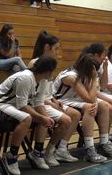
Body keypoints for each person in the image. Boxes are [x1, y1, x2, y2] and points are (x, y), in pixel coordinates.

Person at [0, 56, 57, 175]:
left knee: (44, 117)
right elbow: (22, 106)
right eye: (53, 70)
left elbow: (39, 103)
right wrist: (41, 117)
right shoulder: (25, 77)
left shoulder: (42, 80)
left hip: (11, 106)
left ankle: (37, 152)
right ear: (48, 71)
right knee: (27, 118)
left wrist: (45, 118)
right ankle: (11, 156)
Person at [54, 54, 112, 163]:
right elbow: (89, 98)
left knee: (104, 106)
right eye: (93, 70)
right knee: (90, 107)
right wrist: (95, 79)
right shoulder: (71, 76)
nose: (94, 72)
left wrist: (95, 101)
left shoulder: (84, 74)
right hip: (60, 101)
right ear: (87, 68)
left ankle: (104, 143)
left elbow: (92, 95)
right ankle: (89, 149)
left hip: (75, 100)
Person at [28, 31, 80, 165]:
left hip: (46, 101)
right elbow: (34, 94)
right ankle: (41, 152)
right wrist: (49, 103)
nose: (58, 52)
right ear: (47, 47)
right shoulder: (35, 63)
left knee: (74, 114)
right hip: (35, 103)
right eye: (56, 48)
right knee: (65, 120)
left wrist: (54, 100)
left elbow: (47, 91)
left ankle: (57, 150)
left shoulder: (48, 62)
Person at [82, 43, 112, 151]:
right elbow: (90, 91)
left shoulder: (99, 66)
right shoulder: (88, 66)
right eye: (103, 54)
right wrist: (108, 100)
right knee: (109, 107)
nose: (105, 56)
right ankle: (104, 141)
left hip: (97, 94)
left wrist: (105, 68)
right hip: (88, 96)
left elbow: (103, 86)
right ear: (95, 55)